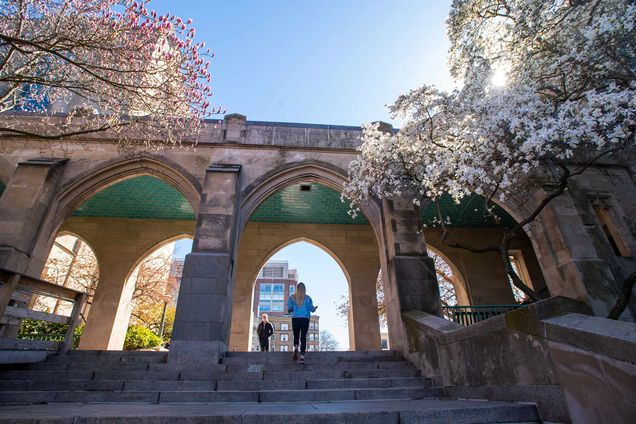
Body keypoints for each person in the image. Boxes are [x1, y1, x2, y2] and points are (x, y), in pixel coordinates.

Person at [287, 282, 317, 364]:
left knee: (296, 335)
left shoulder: (292, 297)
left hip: (295, 318)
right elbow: (312, 309)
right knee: (303, 336)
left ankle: (296, 347)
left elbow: (289, 309)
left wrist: (292, 309)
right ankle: (302, 356)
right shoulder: (308, 298)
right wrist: (315, 308)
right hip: (305, 319)